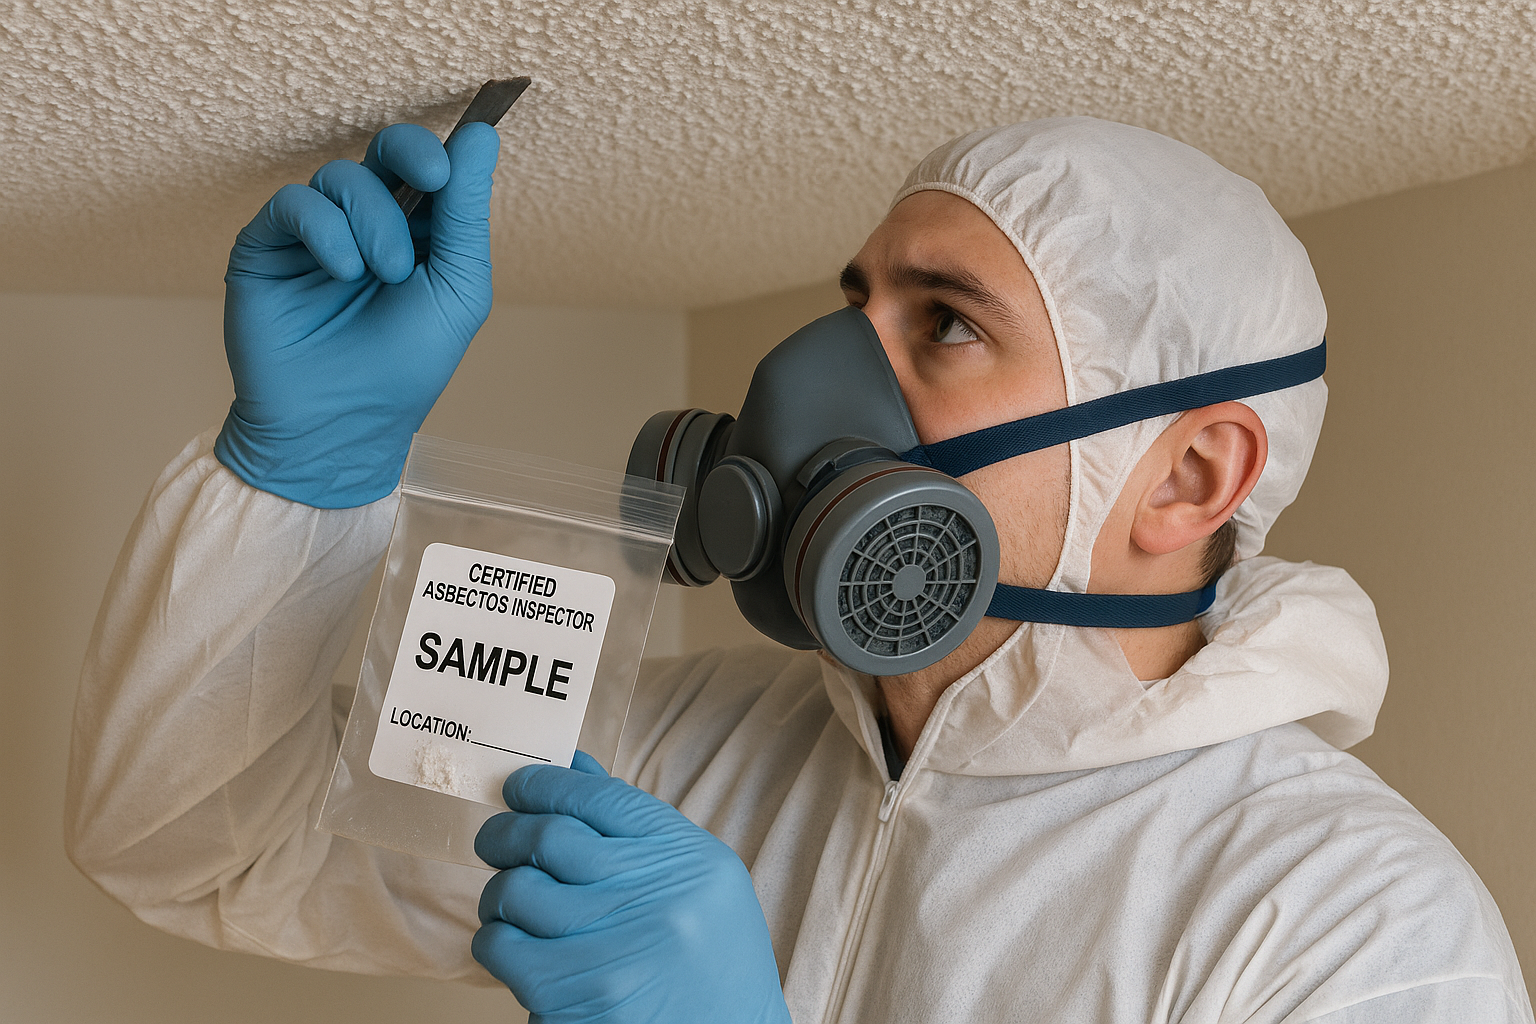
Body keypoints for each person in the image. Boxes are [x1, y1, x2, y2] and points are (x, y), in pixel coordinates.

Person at [65, 115, 1532, 1023]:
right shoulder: (668, 752)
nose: (819, 380)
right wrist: (298, 484)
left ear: (1189, 477)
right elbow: (208, 848)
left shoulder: (1345, 927)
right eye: (857, 307)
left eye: (943, 326)